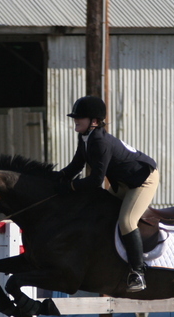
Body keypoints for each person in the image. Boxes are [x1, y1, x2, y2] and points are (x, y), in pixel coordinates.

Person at [58, 95, 159, 293]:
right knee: (100, 209)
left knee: (127, 222)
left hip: (142, 180)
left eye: (80, 117)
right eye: (75, 116)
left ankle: (138, 273)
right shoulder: (85, 137)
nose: (75, 120)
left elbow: (96, 180)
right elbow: (75, 166)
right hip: (122, 181)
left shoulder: (99, 142)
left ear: (94, 122)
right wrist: (54, 178)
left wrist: (71, 187)